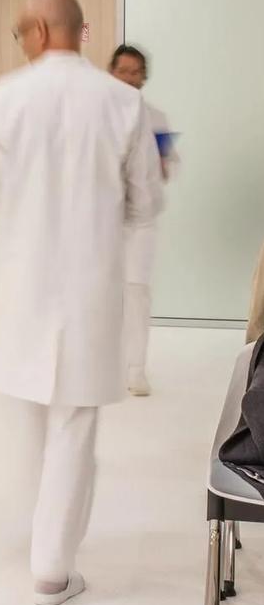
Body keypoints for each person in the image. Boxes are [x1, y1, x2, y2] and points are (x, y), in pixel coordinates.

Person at [0, 0, 162, 605]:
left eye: (22, 31)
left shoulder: (4, 97)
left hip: (22, 286)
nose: (21, 42)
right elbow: (146, 203)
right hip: (87, 287)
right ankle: (52, 564)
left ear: (43, 31)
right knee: (73, 425)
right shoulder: (125, 103)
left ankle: (38, 537)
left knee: (30, 420)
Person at [110, 44, 174, 396]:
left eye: (136, 71)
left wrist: (160, 165)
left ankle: (136, 369)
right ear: (112, 73)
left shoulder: (156, 118)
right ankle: (109, 365)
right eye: (124, 70)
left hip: (142, 222)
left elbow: (167, 166)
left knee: (136, 291)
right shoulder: (99, 115)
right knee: (107, 293)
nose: (130, 78)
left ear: (144, 77)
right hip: (106, 221)